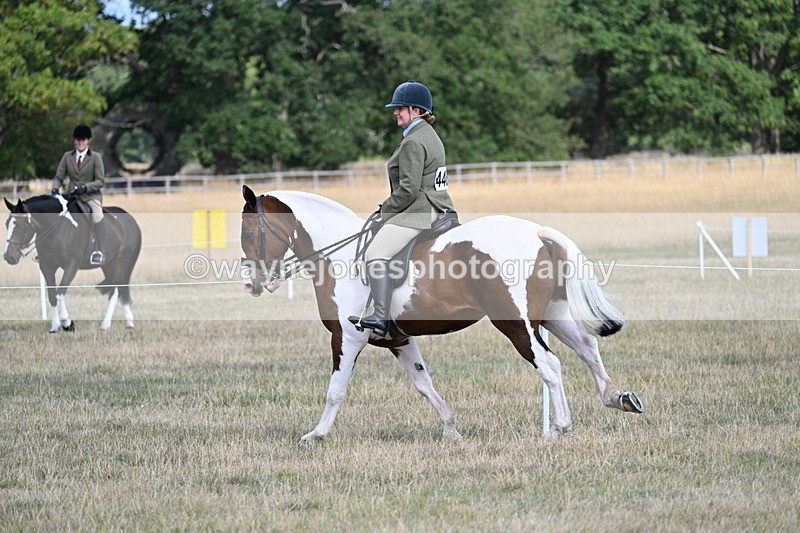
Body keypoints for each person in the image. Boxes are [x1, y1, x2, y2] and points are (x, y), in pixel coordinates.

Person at [348, 80, 456, 336]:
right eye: (395, 108)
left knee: (375, 253)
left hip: (420, 210)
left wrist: (385, 211)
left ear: (417, 111)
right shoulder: (429, 136)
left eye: (401, 108)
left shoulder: (413, 142)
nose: (396, 112)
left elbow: (408, 190)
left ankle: (381, 317)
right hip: (438, 205)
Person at [51, 123, 108, 265]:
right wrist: (55, 189)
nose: (80, 142)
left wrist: (86, 187)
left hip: (90, 196)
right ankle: (49, 249)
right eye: (78, 139)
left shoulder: (96, 157)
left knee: (97, 214)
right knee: (53, 213)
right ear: (74, 141)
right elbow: (59, 177)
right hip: (70, 195)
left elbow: (101, 181)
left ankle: (99, 250)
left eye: (83, 140)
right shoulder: (67, 156)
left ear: (88, 141)